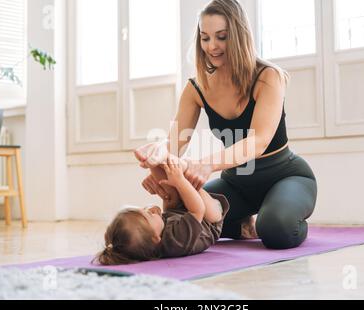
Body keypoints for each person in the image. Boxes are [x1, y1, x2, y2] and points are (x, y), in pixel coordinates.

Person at [136, 0, 317, 250]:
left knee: (276, 230)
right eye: (205, 38)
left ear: (239, 35)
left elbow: (258, 141)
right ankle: (242, 225)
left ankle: (281, 216)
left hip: (284, 176)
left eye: (221, 37)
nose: (212, 47)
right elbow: (175, 143)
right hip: (237, 184)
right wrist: (157, 156)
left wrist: (207, 163)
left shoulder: (268, 77)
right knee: (180, 210)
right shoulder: (196, 88)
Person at [93, 154, 230, 265]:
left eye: (144, 209)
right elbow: (198, 210)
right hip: (208, 222)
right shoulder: (177, 242)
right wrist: (181, 181)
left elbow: (170, 214)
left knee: (165, 182)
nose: (150, 210)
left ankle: (154, 159)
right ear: (156, 238)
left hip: (183, 215)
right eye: (148, 214)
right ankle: (181, 169)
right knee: (207, 207)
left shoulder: (153, 236)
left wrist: (166, 197)